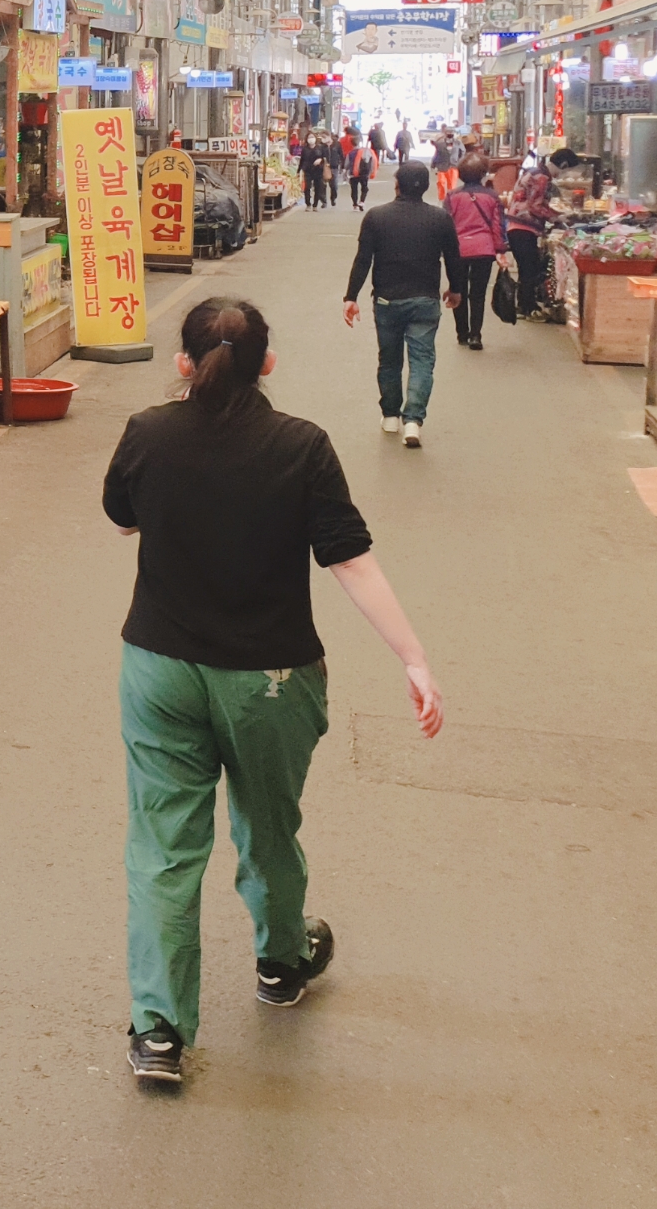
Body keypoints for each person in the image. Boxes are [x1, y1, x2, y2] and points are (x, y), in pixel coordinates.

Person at [102, 296, 444, 1088]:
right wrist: (413, 658)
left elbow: (123, 519)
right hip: (269, 680)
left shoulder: (148, 432)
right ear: (268, 364)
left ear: (184, 364)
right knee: (267, 827)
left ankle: (159, 1032)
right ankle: (281, 960)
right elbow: (350, 560)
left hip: (159, 668)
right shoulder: (302, 445)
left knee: (163, 849)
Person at [344, 160, 465, 447]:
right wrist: (456, 290)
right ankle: (413, 421)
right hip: (425, 299)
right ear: (425, 186)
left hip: (387, 299)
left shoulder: (376, 217)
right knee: (422, 360)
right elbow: (454, 257)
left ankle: (390, 416)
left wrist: (351, 296)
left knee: (389, 359)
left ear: (396, 185)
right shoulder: (440, 219)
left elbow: (363, 260)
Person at [444, 155, 508, 349]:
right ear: (483, 174)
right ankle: (475, 335)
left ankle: (462, 333)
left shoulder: (452, 196)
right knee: (478, 294)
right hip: (484, 249)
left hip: (458, 249)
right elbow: (498, 226)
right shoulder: (492, 196)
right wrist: (500, 249)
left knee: (458, 289)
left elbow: (446, 225)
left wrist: (443, 249)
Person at [503, 150, 565, 319]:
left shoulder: (532, 172)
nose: (561, 175)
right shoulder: (541, 178)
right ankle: (528, 308)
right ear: (563, 165)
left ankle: (523, 306)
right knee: (530, 269)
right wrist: (556, 217)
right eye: (564, 170)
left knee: (525, 269)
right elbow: (535, 206)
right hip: (525, 227)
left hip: (515, 225)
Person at [348, 134, 376, 209]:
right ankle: (362, 202)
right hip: (364, 173)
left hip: (353, 173)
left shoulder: (350, 153)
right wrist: (371, 171)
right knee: (364, 188)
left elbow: (346, 164)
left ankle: (355, 204)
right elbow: (371, 161)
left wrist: (346, 170)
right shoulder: (365, 151)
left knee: (354, 189)